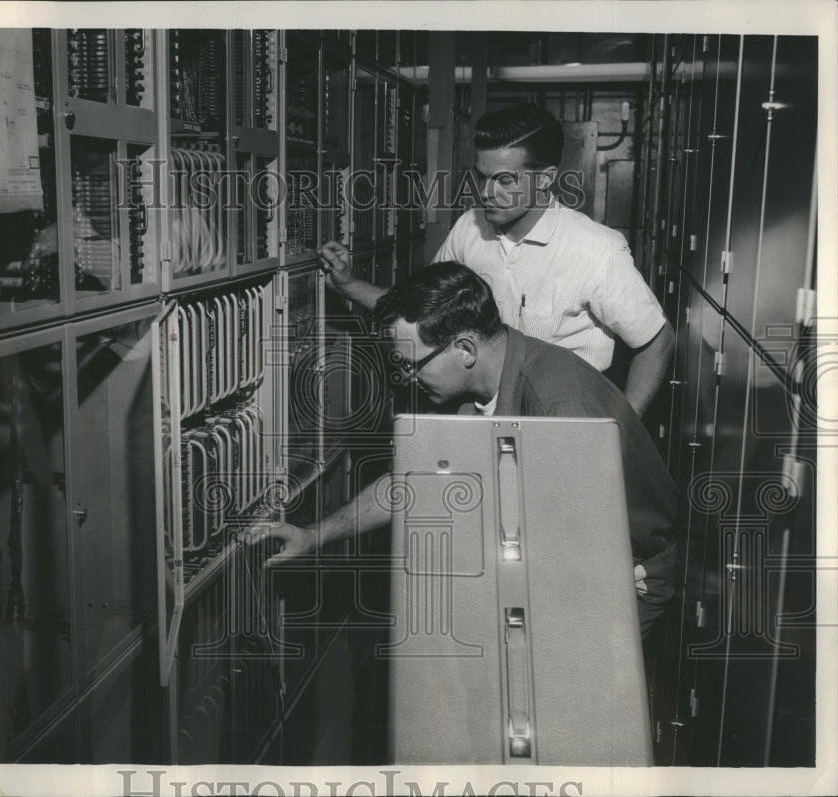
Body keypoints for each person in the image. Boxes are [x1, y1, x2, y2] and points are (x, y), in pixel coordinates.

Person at [250, 261, 679, 638]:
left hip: (622, 575)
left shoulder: (557, 407)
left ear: (465, 349)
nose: (406, 378)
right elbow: (413, 482)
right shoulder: (486, 381)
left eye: (412, 364)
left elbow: (580, 551)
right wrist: (313, 536)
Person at [318, 103, 674, 417]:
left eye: (505, 180)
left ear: (546, 179)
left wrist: (621, 431)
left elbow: (656, 342)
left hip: (560, 419)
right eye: (482, 177)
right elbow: (420, 314)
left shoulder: (597, 250)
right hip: (476, 414)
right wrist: (349, 284)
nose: (487, 193)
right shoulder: (468, 229)